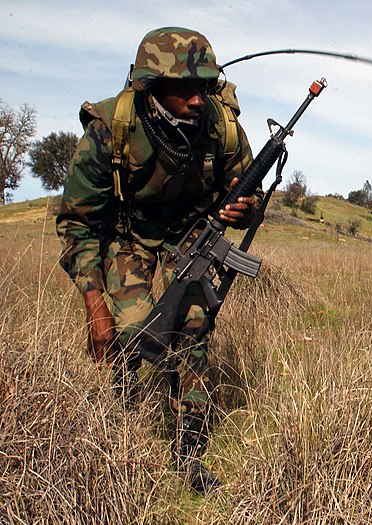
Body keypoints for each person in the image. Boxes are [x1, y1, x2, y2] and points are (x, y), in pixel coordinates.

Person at [56, 27, 261, 494]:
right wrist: (94, 304)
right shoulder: (110, 129)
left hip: (187, 239)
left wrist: (240, 205)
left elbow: (247, 190)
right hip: (127, 240)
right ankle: (122, 419)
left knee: (191, 330)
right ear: (151, 87)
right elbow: (76, 224)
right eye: (184, 89)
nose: (196, 100)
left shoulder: (221, 127)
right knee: (130, 335)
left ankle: (188, 452)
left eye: (205, 87)